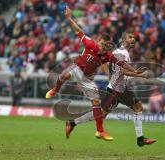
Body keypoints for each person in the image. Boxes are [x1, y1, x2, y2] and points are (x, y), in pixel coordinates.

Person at [45, 7, 149, 141]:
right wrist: (69, 18)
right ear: (99, 41)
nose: (103, 47)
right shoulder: (90, 44)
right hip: (77, 69)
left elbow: (120, 64)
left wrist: (134, 71)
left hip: (87, 79)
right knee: (63, 76)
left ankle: (99, 131)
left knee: (96, 103)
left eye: (105, 46)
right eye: (102, 44)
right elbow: (78, 30)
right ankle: (55, 89)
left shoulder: (107, 55)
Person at [67, 32, 156, 146]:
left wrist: (109, 75)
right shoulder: (122, 53)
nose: (133, 39)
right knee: (134, 108)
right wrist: (140, 75)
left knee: (106, 113)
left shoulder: (118, 52)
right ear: (123, 40)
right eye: (130, 37)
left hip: (120, 88)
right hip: (117, 90)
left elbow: (104, 62)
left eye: (134, 37)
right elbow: (121, 71)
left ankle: (72, 123)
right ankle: (140, 139)